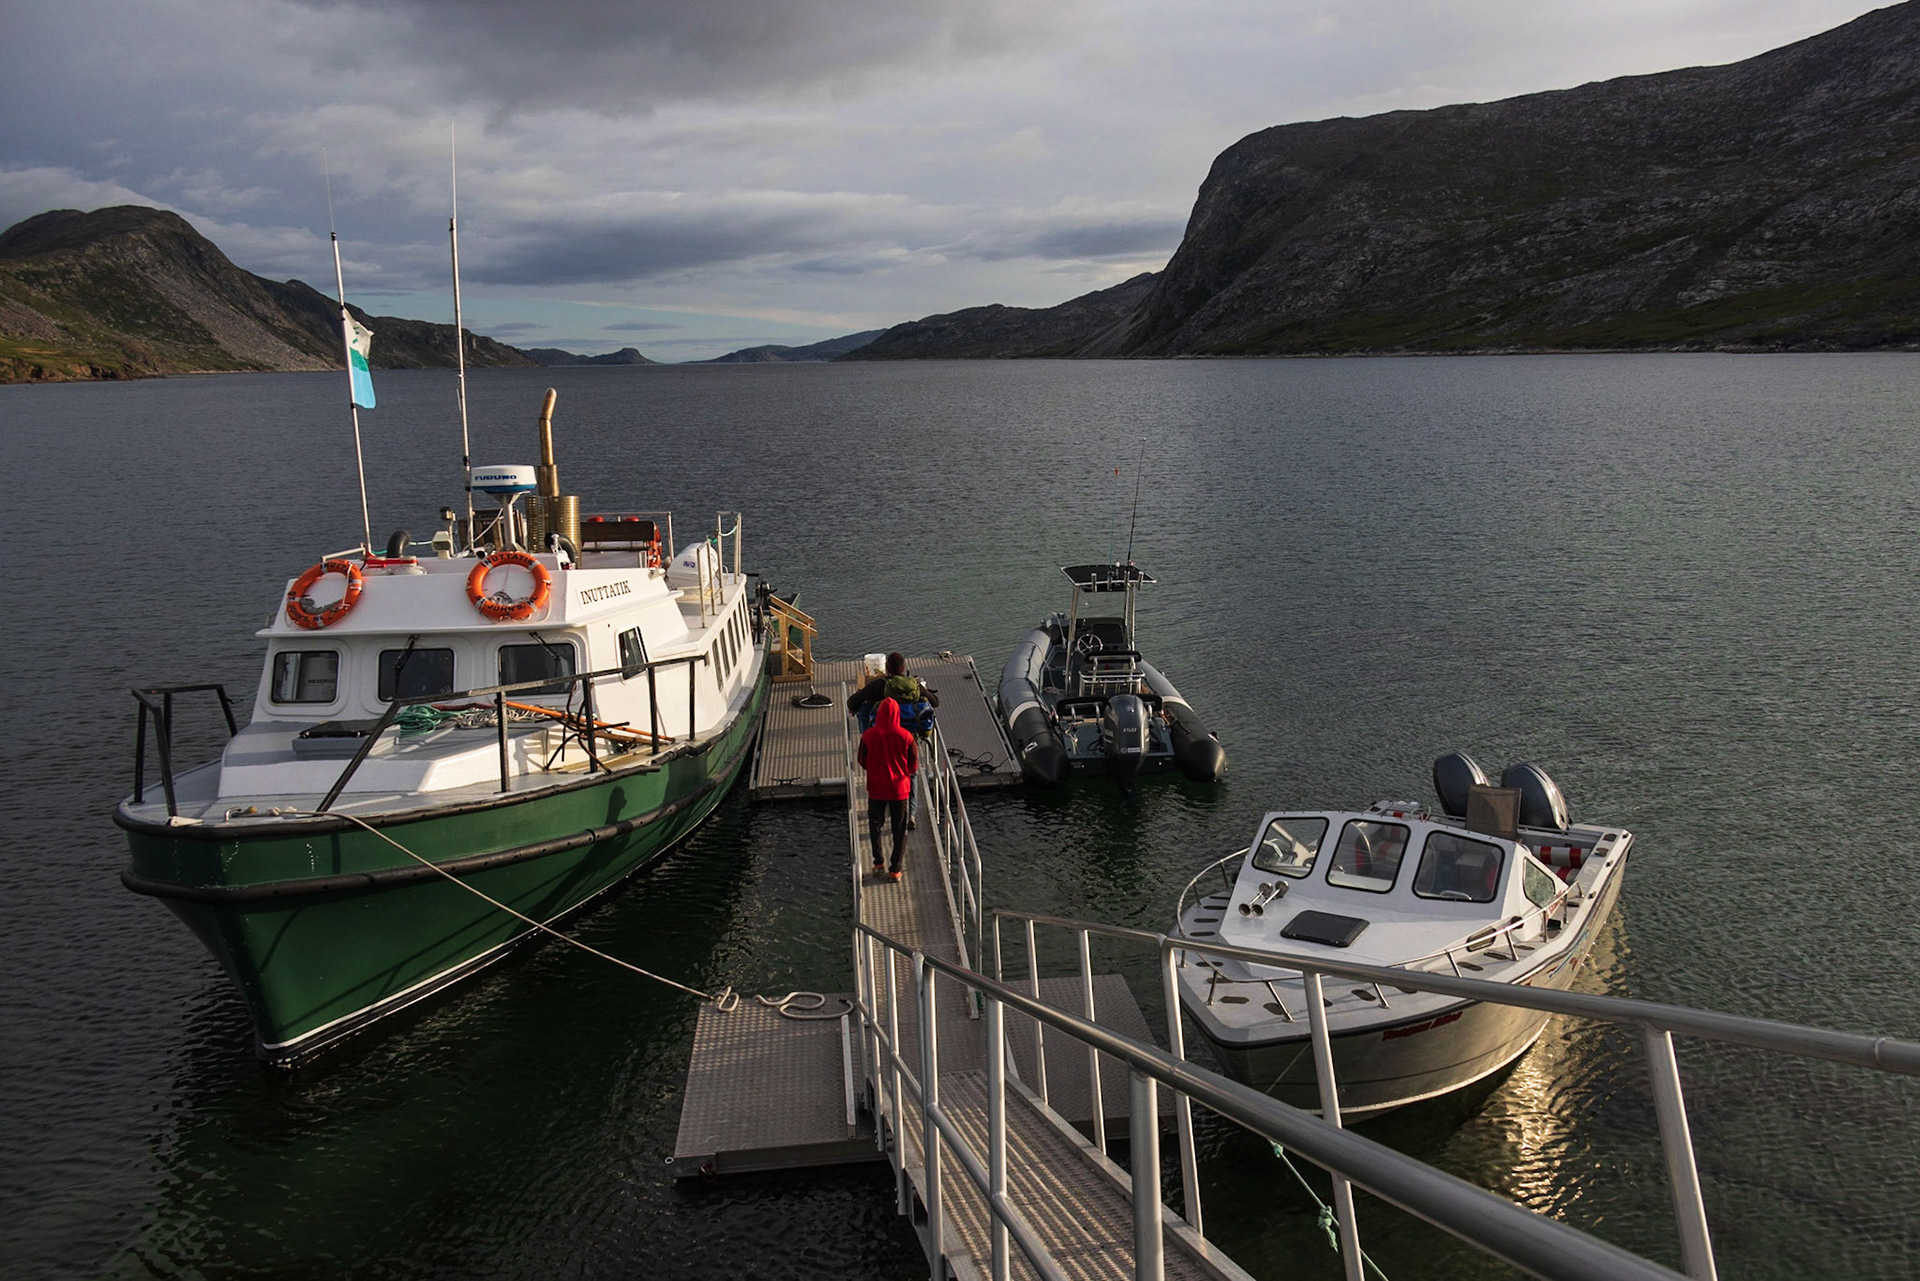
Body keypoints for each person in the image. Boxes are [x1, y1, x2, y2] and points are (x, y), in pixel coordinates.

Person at [848, 652, 939, 827]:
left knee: (881, 768)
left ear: (887, 669)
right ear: (904, 669)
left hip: (882, 739)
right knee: (910, 773)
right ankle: (910, 814)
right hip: (909, 737)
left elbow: (852, 702)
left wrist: (866, 700)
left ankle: (881, 812)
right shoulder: (914, 685)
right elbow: (935, 702)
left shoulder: (880, 685)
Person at [858, 697, 918, 881]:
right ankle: (896, 869)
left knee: (875, 825)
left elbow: (862, 760)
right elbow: (913, 764)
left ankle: (878, 862)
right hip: (899, 789)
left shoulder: (868, 735)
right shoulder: (906, 736)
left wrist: (875, 769)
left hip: (876, 788)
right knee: (899, 829)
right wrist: (904, 773)